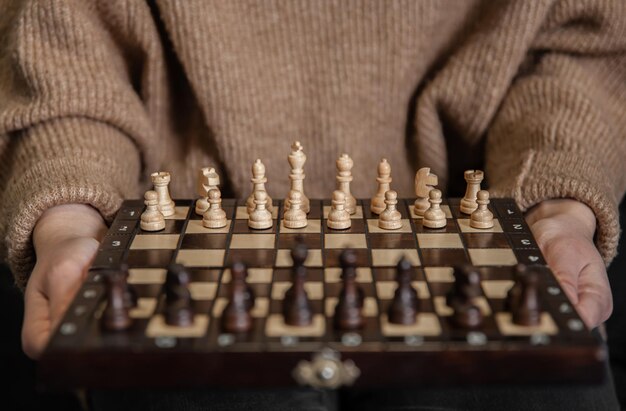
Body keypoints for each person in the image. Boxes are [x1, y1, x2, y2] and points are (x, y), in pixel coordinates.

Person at [0, 0, 624, 410]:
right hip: (181, 263)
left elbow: (578, 48)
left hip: (474, 249)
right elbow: (64, 57)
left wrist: (558, 208)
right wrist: (70, 217)